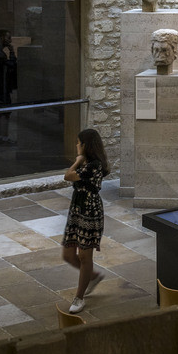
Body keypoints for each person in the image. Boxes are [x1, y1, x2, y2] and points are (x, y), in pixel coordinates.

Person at [61, 127, 109, 314]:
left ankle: (79, 298)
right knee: (68, 255)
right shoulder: (86, 163)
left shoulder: (94, 165)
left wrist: (77, 161)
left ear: (86, 145)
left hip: (90, 211)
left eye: (78, 143)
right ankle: (93, 276)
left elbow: (68, 176)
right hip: (77, 210)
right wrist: (80, 161)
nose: (76, 146)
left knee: (84, 256)